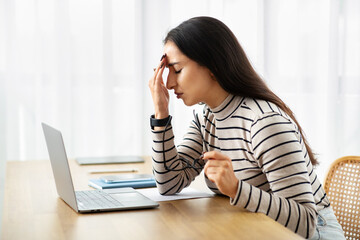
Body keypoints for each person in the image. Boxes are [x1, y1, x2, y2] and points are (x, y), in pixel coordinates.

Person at [148, 16, 345, 239]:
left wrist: (236, 189)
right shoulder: (208, 118)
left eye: (177, 69)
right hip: (257, 228)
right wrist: (161, 115)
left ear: (212, 66)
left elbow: (305, 222)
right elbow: (169, 183)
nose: (169, 83)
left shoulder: (264, 123)